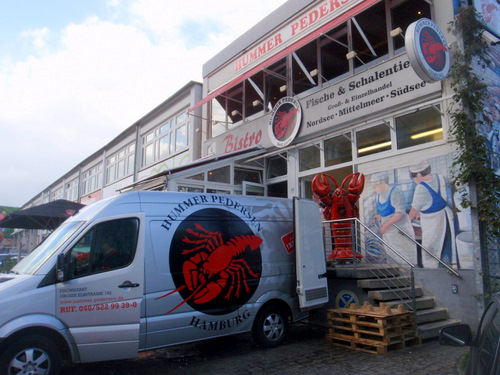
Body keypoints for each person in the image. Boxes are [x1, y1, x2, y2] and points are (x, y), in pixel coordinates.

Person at [408, 161, 456, 268]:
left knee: (430, 248)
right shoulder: (439, 178)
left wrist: (405, 225)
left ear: (419, 174)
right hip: (445, 215)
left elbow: (413, 211)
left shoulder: (420, 188)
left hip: (433, 221)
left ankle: (431, 269)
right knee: (445, 245)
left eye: (413, 176)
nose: (413, 179)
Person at [371, 171, 416, 265]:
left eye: (375, 186)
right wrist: (380, 217)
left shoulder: (395, 192)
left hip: (399, 228)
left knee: (403, 253)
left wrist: (386, 225)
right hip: (389, 232)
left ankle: (408, 272)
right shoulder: (379, 196)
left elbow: (400, 213)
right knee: (391, 253)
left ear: (383, 183)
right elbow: (388, 211)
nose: (374, 189)